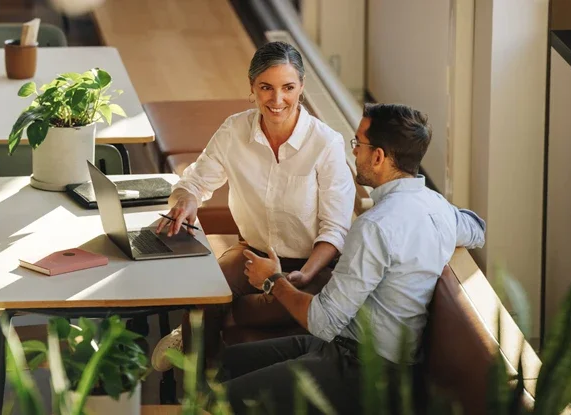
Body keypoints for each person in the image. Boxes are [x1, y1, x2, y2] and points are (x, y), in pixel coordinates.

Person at [215, 103, 487, 414]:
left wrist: (272, 280)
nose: (353, 152)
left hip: (364, 373)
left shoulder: (374, 226)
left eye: (357, 143)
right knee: (227, 362)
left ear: (378, 157)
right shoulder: (436, 206)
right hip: (352, 349)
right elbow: (477, 229)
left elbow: (322, 320)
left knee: (218, 400)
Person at [150, 41, 356, 371]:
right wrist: (187, 201)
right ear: (252, 88)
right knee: (204, 291)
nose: (277, 100)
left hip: (312, 265)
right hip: (252, 254)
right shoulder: (234, 130)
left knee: (250, 307)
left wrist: (300, 276)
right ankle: (199, 390)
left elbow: (335, 230)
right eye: (266, 88)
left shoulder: (326, 143)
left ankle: (207, 329)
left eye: (288, 87)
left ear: (301, 87)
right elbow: (196, 181)